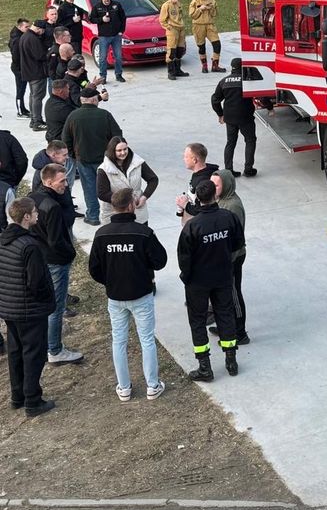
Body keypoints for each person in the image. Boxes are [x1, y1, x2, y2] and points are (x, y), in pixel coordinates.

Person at [88, 188, 168, 402]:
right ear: (131, 206)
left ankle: (124, 388)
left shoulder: (101, 234)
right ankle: (152, 386)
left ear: (114, 207)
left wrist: (111, 282)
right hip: (141, 294)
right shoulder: (143, 232)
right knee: (147, 340)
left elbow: (94, 269)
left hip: (115, 297)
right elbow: (160, 261)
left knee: (119, 341)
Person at [177, 179, 244, 381]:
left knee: (197, 321)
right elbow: (237, 243)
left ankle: (205, 367)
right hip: (223, 276)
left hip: (198, 281)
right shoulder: (229, 218)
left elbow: (184, 258)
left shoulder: (192, 226)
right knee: (225, 314)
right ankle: (231, 361)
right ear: (215, 195)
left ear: (197, 199)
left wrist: (187, 278)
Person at [0, 197, 57, 417]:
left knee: (15, 352)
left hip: (9, 308)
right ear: (26, 217)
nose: (37, 214)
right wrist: (45, 301)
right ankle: (33, 400)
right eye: (34, 212)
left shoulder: (3, 240)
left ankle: (18, 396)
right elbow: (37, 282)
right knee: (33, 354)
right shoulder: (30, 246)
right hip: (30, 311)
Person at [30, 163, 83, 365]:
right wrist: (70, 253)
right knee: (56, 307)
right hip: (55, 261)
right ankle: (55, 350)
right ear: (48, 181)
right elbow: (56, 240)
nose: (66, 183)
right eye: (62, 181)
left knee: (44, 305)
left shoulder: (33, 198)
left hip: (38, 259)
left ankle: (45, 345)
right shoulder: (51, 207)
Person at [62, 88, 123, 226]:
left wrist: (73, 155)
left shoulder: (73, 116)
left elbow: (66, 139)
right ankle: (116, 213)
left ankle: (93, 216)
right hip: (106, 159)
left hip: (83, 159)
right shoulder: (104, 115)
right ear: (95, 100)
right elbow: (117, 136)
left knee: (89, 188)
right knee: (111, 186)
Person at [210, 170, 249, 345]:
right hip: (222, 258)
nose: (213, 188)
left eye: (217, 185)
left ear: (226, 186)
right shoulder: (220, 200)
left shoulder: (233, 206)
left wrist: (227, 260)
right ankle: (225, 326)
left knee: (233, 294)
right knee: (223, 295)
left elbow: (236, 238)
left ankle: (240, 333)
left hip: (232, 257)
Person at [211, 58, 257, 178]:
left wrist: (220, 114)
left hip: (230, 118)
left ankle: (228, 170)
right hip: (245, 117)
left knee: (230, 142)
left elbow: (214, 100)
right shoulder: (247, 81)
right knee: (250, 141)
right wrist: (269, 107)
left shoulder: (223, 81)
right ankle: (248, 169)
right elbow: (261, 95)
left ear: (232, 67)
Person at [97, 137, 159, 226]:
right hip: (115, 214)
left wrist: (144, 197)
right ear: (112, 151)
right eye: (119, 150)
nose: (123, 153)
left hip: (138, 211)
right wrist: (123, 201)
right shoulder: (104, 169)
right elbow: (102, 193)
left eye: (125, 149)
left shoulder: (137, 162)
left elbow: (153, 179)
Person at [90, 0, 127, 83]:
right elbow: (92, 19)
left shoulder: (116, 5)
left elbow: (123, 18)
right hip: (104, 36)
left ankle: (118, 75)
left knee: (118, 57)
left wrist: (121, 31)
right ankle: (103, 77)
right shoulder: (97, 7)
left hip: (116, 36)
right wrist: (101, 19)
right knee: (102, 58)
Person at [175, 143, 219, 221]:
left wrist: (184, 204)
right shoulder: (200, 173)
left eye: (186, 157)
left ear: (194, 160)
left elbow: (201, 209)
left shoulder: (203, 181)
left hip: (196, 224)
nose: (183, 159)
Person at [18, 20, 48, 131]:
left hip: (29, 72)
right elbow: (40, 55)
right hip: (36, 72)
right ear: (39, 28)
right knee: (37, 97)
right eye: (42, 30)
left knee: (33, 96)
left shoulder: (25, 36)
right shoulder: (33, 39)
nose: (43, 33)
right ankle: (37, 121)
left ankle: (33, 120)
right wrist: (48, 53)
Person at [189, 0, 225, 74]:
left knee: (217, 44)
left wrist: (211, 9)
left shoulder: (212, 1)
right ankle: (204, 66)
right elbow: (192, 16)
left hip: (210, 25)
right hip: (198, 25)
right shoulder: (194, 2)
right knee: (201, 46)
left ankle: (215, 65)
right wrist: (200, 9)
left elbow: (215, 15)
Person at [160, 0, 189, 81]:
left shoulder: (179, 4)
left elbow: (180, 16)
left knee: (180, 50)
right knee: (171, 51)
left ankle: (178, 70)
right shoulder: (166, 5)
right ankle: (171, 72)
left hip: (181, 29)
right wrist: (169, 27)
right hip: (172, 30)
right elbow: (162, 20)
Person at [9, 18, 30, 118]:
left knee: (22, 89)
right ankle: (20, 111)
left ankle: (23, 108)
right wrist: (21, 68)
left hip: (21, 67)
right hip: (19, 69)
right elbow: (16, 56)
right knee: (20, 89)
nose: (28, 28)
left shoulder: (18, 35)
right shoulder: (17, 39)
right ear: (20, 27)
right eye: (26, 27)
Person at [44, 80, 77, 144]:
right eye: (67, 89)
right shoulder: (60, 107)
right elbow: (77, 117)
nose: (69, 91)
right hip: (60, 141)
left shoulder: (51, 101)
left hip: (54, 137)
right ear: (60, 91)